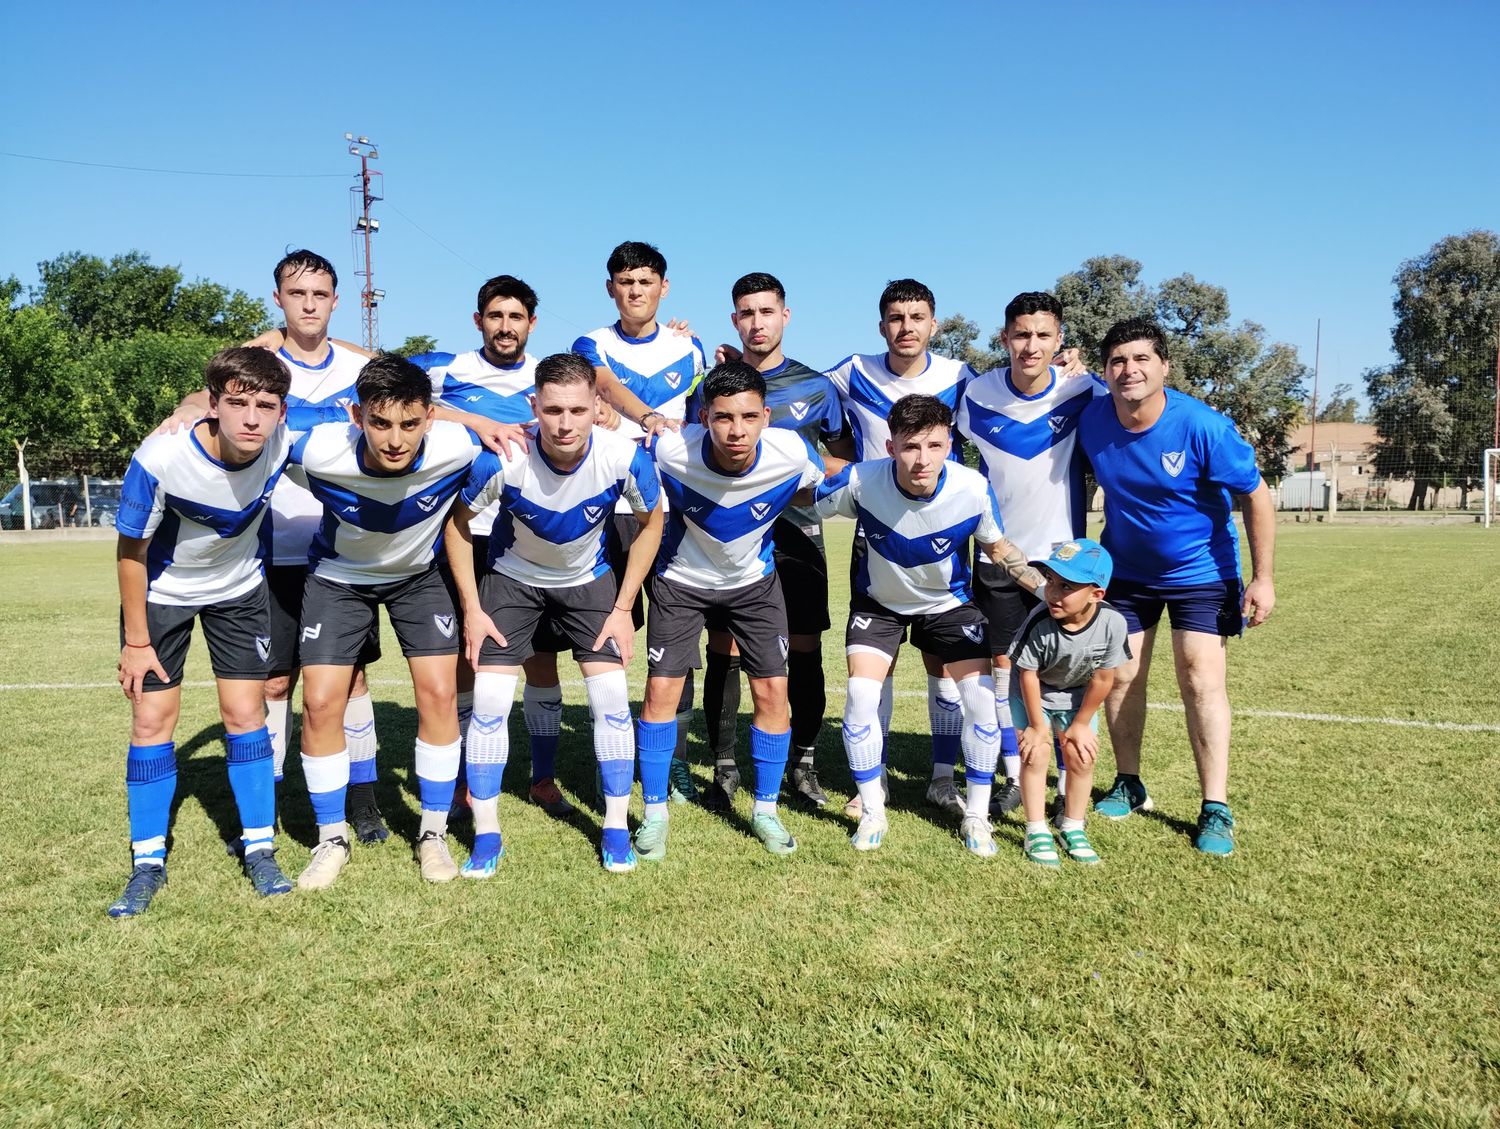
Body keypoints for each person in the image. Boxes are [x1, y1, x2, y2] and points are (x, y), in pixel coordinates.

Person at [161, 251, 391, 843]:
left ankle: (362, 799)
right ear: (279, 299)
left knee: (353, 681)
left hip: (342, 553)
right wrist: (178, 415)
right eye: (297, 293)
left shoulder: (361, 365)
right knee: (272, 684)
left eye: (320, 294)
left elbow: (406, 399)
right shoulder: (259, 364)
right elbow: (202, 398)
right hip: (269, 553)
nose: (309, 304)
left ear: (335, 300)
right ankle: (274, 797)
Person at [444, 353, 664, 874]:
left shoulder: (623, 457)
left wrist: (623, 606)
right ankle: (487, 835)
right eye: (553, 410)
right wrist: (473, 608)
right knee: (491, 703)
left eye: (577, 410)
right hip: (511, 581)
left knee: (610, 699)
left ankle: (613, 828)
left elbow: (650, 523)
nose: (565, 424)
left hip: (590, 583)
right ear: (533, 406)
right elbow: (457, 526)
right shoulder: (502, 459)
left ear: (597, 408)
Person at [1079, 317, 1276, 856]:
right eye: (1118, 361)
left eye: (1142, 359)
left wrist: (1262, 578)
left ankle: (1215, 806)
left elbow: (1256, 496)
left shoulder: (1203, 425)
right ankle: (1129, 781)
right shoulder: (1093, 419)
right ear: (1106, 371)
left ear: (1164, 366)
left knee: (1199, 679)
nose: (1130, 370)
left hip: (1202, 573)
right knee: (1119, 677)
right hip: (1126, 574)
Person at [108, 347, 295, 917]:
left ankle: (260, 848)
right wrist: (136, 642)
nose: (251, 418)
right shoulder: (163, 456)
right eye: (237, 403)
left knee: (246, 715)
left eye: (265, 405)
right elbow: (130, 551)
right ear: (211, 405)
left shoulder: (285, 443)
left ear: (282, 411)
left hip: (238, 592)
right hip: (161, 597)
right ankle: (147, 862)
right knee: (151, 720)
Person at [814, 394, 1043, 855]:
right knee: (860, 694)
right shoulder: (861, 481)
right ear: (890, 444)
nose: (923, 459)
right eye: (912, 446)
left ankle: (976, 817)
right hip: (879, 605)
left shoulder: (972, 488)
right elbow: (806, 498)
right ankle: (874, 808)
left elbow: (1000, 550)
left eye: (935, 446)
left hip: (949, 605)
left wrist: (1045, 589)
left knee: (981, 699)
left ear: (949, 445)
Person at [285, 353, 480, 888]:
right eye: (380, 423)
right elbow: (247, 424)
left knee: (439, 695)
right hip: (338, 579)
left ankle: (433, 834)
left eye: (410, 424)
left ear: (431, 418)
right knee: (321, 702)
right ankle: (331, 838)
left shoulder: (458, 449)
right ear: (355, 416)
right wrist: (190, 408)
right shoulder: (320, 449)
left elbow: (536, 433)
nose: (396, 439)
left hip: (419, 577)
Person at [635, 362, 832, 858]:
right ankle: (655, 814)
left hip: (753, 585)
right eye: (723, 417)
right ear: (704, 416)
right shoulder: (671, 449)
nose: (737, 430)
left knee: (771, 693)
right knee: (661, 692)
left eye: (748, 416)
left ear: (767, 416)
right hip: (681, 582)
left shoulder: (791, 452)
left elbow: (824, 484)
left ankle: (765, 810)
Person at [413, 274, 576, 818]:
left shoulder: (548, 377)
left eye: (516, 317)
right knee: (467, 655)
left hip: (533, 540)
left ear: (532, 323)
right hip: (463, 534)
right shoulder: (445, 369)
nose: (505, 327)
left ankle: (543, 775)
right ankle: (463, 778)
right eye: (495, 316)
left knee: (540, 659)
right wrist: (473, 419)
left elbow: (594, 412)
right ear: (478, 319)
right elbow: (385, 392)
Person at [824, 279, 976, 819]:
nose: (906, 327)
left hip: (940, 533)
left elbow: (1014, 393)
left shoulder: (959, 376)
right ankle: (875, 778)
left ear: (934, 323)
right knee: (876, 669)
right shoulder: (851, 371)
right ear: (881, 324)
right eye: (895, 317)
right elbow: (790, 399)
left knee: (944, 666)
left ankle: (941, 779)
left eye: (917, 317)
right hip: (877, 533)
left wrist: (1069, 376)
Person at [693, 272, 844, 810]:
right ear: (735, 320)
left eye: (766, 312)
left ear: (785, 315)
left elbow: (843, 461)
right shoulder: (711, 387)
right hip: (726, 539)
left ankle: (802, 764)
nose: (757, 323)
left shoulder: (817, 387)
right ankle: (725, 766)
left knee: (803, 648)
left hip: (797, 537)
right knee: (725, 648)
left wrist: (804, 476)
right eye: (746, 313)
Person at [956, 291, 1101, 819]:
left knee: (1068, 670)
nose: (1031, 345)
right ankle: (1017, 774)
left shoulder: (1084, 390)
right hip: (998, 556)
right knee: (1006, 669)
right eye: (1021, 334)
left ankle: (1070, 777)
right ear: (1005, 339)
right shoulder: (975, 395)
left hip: (1065, 562)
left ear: (1059, 340)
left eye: (1043, 335)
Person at [575, 240, 707, 802]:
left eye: (646, 281)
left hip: (676, 509)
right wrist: (647, 415)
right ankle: (613, 749)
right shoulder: (590, 344)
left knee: (676, 637)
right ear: (610, 288)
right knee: (607, 626)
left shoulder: (691, 347)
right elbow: (603, 386)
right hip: (612, 507)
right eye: (625, 281)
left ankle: (671, 760)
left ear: (663, 287)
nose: (635, 291)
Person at [1008, 539, 1130, 867]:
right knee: (1036, 756)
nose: (1053, 593)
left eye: (1066, 586)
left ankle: (1072, 827)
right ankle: (1035, 830)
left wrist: (1080, 724)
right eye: (1050, 581)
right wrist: (1037, 727)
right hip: (1031, 693)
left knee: (1081, 757)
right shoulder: (1038, 622)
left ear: (1096, 594)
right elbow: (1028, 676)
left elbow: (1105, 679)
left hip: (1078, 696)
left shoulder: (1113, 624)